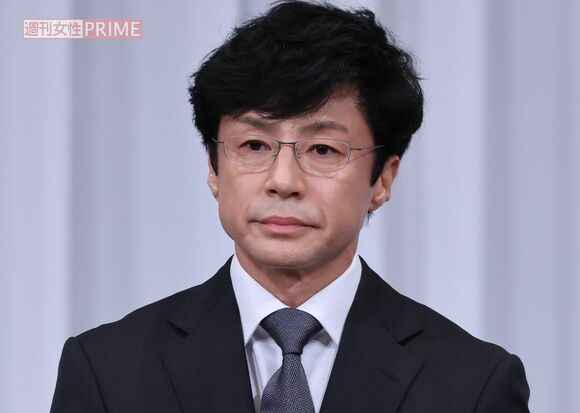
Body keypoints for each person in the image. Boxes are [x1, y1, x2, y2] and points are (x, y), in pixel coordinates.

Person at [51, 1, 530, 412]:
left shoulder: (473, 384)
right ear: (214, 168)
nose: (283, 182)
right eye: (254, 145)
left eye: (322, 150)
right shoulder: (106, 370)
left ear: (383, 179)